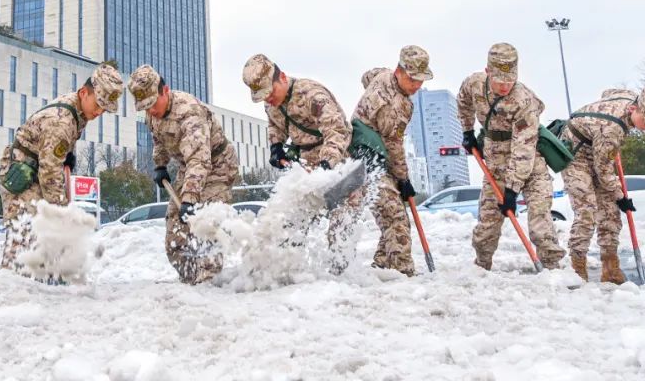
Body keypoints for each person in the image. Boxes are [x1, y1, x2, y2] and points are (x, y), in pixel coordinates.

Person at [0, 62, 123, 272]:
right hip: (23, 176)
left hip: (36, 168)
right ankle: (11, 282)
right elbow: (50, 172)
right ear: (84, 93)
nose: (100, 111)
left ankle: (39, 280)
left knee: (42, 238)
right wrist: (61, 212)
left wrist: (67, 154)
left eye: (105, 108)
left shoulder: (79, 109)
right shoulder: (62, 122)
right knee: (25, 236)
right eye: (98, 104)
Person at [242, 53, 356, 272]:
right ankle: (291, 270)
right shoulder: (271, 104)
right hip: (307, 162)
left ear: (282, 78)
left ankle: (341, 274)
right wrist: (276, 146)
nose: (268, 99)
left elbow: (336, 130)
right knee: (295, 219)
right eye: (263, 96)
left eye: (270, 92)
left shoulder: (313, 94)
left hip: (339, 160)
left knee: (341, 221)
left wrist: (327, 164)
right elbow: (275, 125)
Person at [128, 64, 240, 284]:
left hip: (217, 165)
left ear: (165, 90)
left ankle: (209, 280)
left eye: (153, 103)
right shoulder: (152, 113)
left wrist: (189, 199)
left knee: (207, 221)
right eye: (145, 106)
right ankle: (190, 278)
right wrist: (160, 165)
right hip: (187, 167)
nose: (150, 111)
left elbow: (199, 160)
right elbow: (158, 139)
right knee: (175, 224)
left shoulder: (189, 113)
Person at [457, 43, 565, 271]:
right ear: (487, 72)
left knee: (540, 221)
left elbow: (523, 149)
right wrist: (467, 131)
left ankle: (553, 270)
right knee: (486, 227)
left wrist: (512, 190)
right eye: (500, 81)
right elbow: (463, 102)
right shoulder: (474, 84)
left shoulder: (523, 101)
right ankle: (481, 268)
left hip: (530, 164)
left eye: (510, 81)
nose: (505, 86)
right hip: (495, 165)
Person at [560, 87, 645, 282]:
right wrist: (621, 196)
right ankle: (577, 269)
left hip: (598, 147)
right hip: (575, 156)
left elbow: (608, 92)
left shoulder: (629, 97)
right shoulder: (612, 129)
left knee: (610, 212)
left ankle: (610, 269)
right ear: (634, 109)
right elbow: (603, 171)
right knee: (587, 211)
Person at [352, 46, 433, 276]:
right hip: (369, 162)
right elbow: (393, 145)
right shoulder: (395, 106)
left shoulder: (382, 75)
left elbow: (366, 76)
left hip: (365, 156)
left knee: (391, 215)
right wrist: (403, 179)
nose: (417, 85)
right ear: (399, 71)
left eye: (421, 79)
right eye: (412, 79)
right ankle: (403, 272)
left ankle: (383, 266)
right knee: (396, 218)